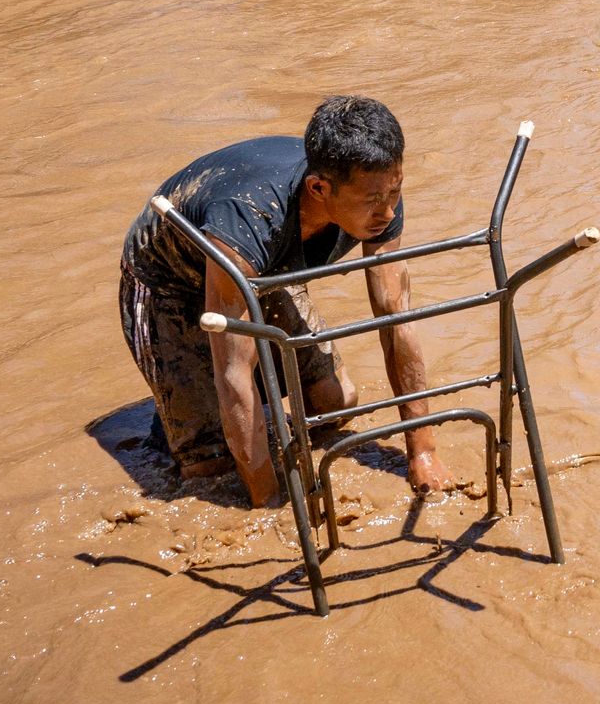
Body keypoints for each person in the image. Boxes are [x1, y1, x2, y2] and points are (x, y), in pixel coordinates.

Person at [119, 96, 457, 507]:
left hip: (268, 265)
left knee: (335, 403)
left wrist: (422, 451)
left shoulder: (378, 191)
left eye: (396, 190)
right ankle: (182, 424)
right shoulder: (249, 217)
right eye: (373, 200)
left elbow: (395, 314)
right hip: (170, 281)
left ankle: (212, 414)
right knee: (209, 467)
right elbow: (234, 368)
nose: (388, 211)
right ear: (319, 188)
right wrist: (272, 501)